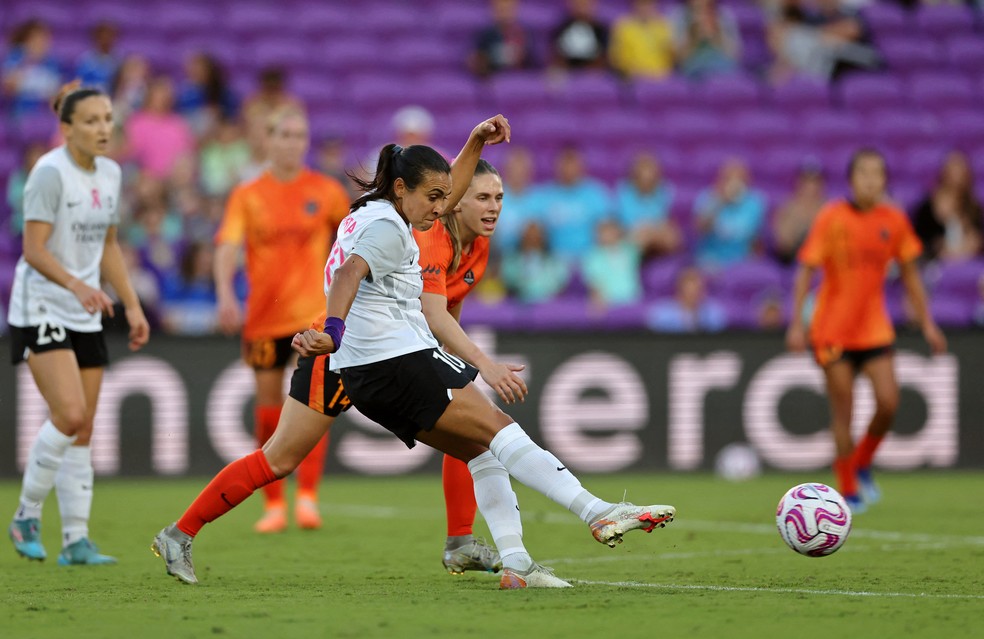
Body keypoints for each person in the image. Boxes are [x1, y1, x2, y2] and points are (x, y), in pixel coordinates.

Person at [154, 117, 675, 589]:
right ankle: (595, 512)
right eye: (440, 197)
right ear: (404, 189)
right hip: (366, 353)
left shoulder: (386, 213)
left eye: (467, 196)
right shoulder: (391, 228)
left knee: (475, 447)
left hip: (362, 353)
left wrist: (472, 142)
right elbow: (349, 274)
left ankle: (507, 561)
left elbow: (425, 215)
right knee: (491, 429)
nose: (443, 207)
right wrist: (333, 331)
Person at [7, 82, 150, 565]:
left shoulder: (110, 173)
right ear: (66, 128)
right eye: (90, 121)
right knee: (69, 414)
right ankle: (26, 514)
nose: (103, 128)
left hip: (84, 307)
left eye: (107, 118)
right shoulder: (49, 173)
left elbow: (108, 245)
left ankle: (75, 540)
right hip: (42, 305)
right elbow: (33, 250)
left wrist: (131, 304)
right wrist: (76, 284)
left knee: (84, 427)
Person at [786, 148, 947, 514]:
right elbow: (806, 271)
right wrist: (797, 323)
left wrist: (928, 323)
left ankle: (860, 461)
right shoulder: (832, 217)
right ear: (851, 179)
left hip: (874, 328)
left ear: (885, 180)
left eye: (877, 173)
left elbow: (910, 273)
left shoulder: (894, 219)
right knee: (844, 411)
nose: (871, 180)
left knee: (889, 402)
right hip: (833, 330)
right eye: (863, 173)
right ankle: (848, 490)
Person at [213, 107, 351, 533]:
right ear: (268, 140)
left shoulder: (326, 191)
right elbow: (227, 247)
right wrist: (223, 295)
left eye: (299, 135)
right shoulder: (248, 194)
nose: (293, 142)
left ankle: (307, 496)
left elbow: (353, 240)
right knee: (269, 408)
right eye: (285, 134)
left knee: (315, 405)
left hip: (313, 317)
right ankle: (273, 503)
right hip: (263, 318)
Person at [413, 158, 525, 573]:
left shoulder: (479, 243)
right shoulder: (429, 239)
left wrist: (453, 366)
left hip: (411, 354)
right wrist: (483, 366)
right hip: (359, 351)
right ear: (457, 202)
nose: (494, 206)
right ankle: (192, 531)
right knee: (281, 457)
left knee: (474, 436)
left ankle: (460, 541)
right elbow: (433, 314)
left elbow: (449, 313)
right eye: (482, 197)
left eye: (499, 197)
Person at [694, 158, 767, 270]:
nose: (734, 183)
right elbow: (700, 229)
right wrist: (720, 201)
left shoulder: (755, 203)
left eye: (739, 179)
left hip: (741, 261)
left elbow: (755, 240)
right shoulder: (706, 198)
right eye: (728, 178)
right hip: (711, 259)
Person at [910, 150, 983, 262]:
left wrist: (974, 243)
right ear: (944, 172)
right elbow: (917, 243)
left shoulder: (974, 208)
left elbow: (978, 238)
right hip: (935, 266)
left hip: (968, 266)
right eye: (953, 170)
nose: (956, 175)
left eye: (960, 170)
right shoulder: (926, 208)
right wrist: (937, 247)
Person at [771, 160, 827, 264]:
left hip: (821, 262)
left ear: (821, 184)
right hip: (792, 260)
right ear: (799, 183)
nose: (810, 186)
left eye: (814, 182)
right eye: (806, 181)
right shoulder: (787, 207)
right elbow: (783, 245)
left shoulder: (829, 209)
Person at [670, 0, 741, 80]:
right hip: (694, 70)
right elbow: (679, 60)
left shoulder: (723, 15)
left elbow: (734, 55)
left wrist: (716, 35)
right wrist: (694, 36)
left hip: (723, 68)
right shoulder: (679, 16)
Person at [468, 0, 537, 77]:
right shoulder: (486, 34)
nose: (504, 13)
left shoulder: (523, 32)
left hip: (518, 78)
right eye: (501, 9)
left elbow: (532, 60)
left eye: (508, 9)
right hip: (493, 77)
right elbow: (477, 58)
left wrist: (522, 56)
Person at [609, 0, 675, 80]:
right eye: (642, 5)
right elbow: (616, 59)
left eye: (648, 5)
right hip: (634, 77)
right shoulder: (623, 27)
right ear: (635, 6)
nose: (645, 9)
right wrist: (631, 72)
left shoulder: (662, 26)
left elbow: (671, 56)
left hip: (661, 76)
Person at [550, 0, 610, 71]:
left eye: (585, 5)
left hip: (590, 70)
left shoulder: (598, 29)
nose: (582, 9)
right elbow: (557, 53)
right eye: (578, 5)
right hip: (568, 69)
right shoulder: (564, 26)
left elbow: (602, 55)